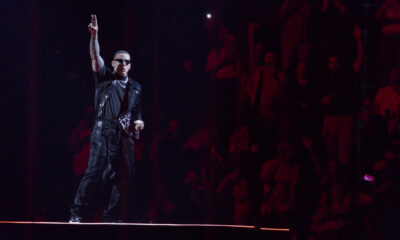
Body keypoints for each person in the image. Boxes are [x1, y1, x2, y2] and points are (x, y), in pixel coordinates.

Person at [69, 14, 144, 223]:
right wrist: (94, 36)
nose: (123, 64)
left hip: (124, 136)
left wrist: (139, 121)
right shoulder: (105, 78)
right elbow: (95, 56)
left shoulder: (136, 87)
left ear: (130, 65)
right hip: (103, 131)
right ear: (113, 63)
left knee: (124, 178)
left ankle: (113, 216)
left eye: (126, 61)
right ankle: (77, 213)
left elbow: (136, 110)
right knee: (94, 173)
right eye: (119, 60)